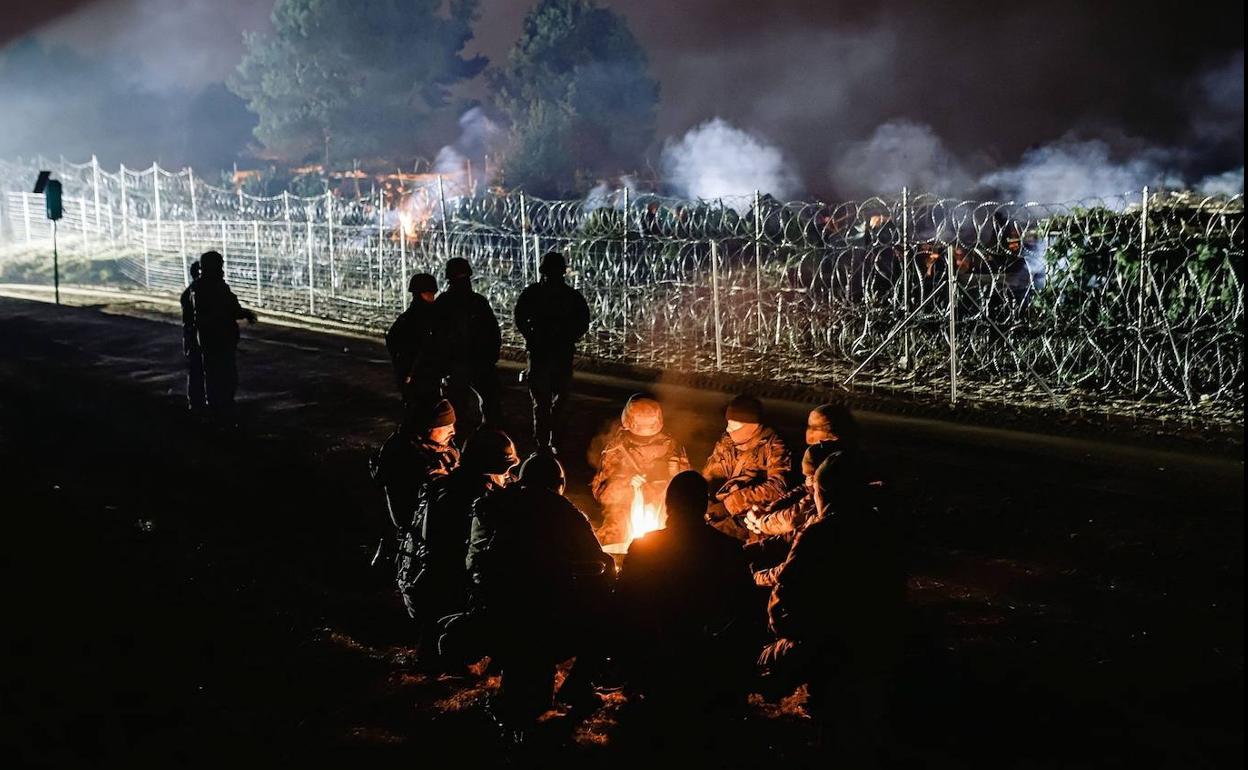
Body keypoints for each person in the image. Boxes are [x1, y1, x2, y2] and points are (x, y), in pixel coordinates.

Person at [757, 452, 905, 766]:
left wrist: (789, 636)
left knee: (761, 660)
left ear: (827, 494)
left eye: (818, 493)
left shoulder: (821, 535)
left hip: (829, 646)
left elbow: (783, 604)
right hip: (881, 643)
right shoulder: (883, 530)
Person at [466, 452, 614, 739]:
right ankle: (579, 684)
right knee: (611, 611)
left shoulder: (491, 507)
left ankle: (514, 697)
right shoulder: (565, 513)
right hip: (547, 624)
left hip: (492, 616)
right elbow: (601, 562)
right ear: (559, 484)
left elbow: (474, 560)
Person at [612, 471, 763, 727]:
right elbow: (748, 609)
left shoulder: (643, 548)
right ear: (703, 505)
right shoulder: (728, 549)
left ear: (668, 505)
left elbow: (622, 605)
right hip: (710, 660)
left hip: (658, 659)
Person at [407, 427, 518, 670]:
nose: (508, 476)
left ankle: (436, 655)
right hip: (450, 591)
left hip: (425, 585)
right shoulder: (480, 500)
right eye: (505, 470)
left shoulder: (447, 485)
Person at [369, 399, 461, 622]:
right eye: (447, 428)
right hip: (419, 539)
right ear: (428, 429)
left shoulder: (437, 448)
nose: (453, 432)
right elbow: (410, 515)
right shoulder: (407, 458)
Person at [743, 403, 860, 539]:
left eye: (814, 428)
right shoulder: (833, 453)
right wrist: (770, 510)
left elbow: (802, 512)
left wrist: (763, 522)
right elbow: (805, 490)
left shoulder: (837, 465)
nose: (808, 431)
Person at [514, 251, 591, 451]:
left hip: (554, 355)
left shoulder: (560, 296)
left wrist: (535, 336)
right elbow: (520, 318)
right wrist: (533, 336)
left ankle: (549, 443)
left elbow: (582, 321)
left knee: (551, 404)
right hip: (547, 355)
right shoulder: (543, 294)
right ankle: (546, 444)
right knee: (547, 404)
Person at [590, 394, 690, 545]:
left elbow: (689, 489)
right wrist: (627, 483)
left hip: (664, 512)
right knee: (609, 541)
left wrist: (675, 474)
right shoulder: (616, 449)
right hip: (622, 514)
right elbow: (602, 494)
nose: (644, 438)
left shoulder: (671, 447)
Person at [701, 394, 790, 540]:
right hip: (726, 512)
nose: (729, 429)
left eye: (734, 425)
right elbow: (710, 472)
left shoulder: (774, 446)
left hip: (756, 517)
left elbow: (778, 487)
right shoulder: (728, 441)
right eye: (728, 423)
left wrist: (729, 506)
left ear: (751, 426)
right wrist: (700, 495)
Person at [433, 257, 503, 434]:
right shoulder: (476, 302)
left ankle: (463, 444)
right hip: (470, 363)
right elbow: (493, 332)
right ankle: (485, 440)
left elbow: (436, 337)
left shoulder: (445, 303)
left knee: (459, 411)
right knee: (486, 405)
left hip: (462, 363)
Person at [190, 251, 257, 418]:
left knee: (216, 374)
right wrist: (243, 314)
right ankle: (221, 408)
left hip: (212, 338)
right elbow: (227, 308)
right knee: (222, 374)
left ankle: (218, 406)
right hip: (218, 337)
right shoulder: (212, 287)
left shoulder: (202, 287)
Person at [385, 272, 440, 409]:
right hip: (417, 375)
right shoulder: (413, 319)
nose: (432, 297)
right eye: (429, 294)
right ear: (420, 294)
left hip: (423, 374)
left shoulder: (414, 317)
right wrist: (407, 371)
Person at [179, 260, 205, 412]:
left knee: (195, 370)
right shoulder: (196, 292)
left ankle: (196, 402)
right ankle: (198, 403)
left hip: (191, 336)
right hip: (196, 337)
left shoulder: (189, 292)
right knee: (198, 369)